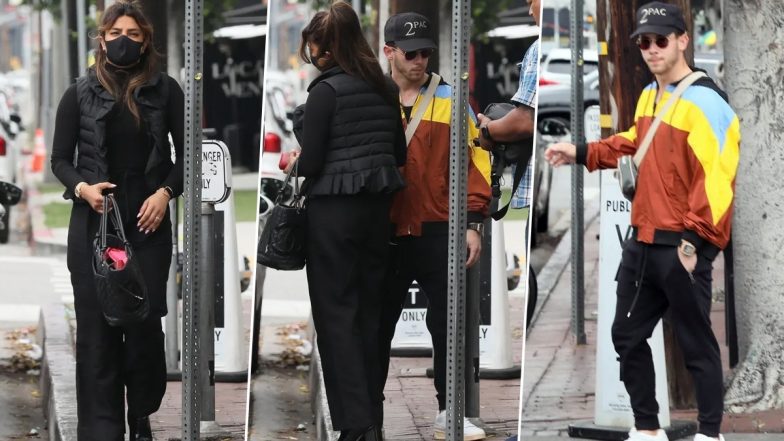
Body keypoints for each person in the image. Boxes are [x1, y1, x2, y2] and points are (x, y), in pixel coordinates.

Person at [544, 3, 740, 441]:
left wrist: (694, 244)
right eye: (644, 42)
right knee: (626, 336)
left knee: (696, 345)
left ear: (683, 40)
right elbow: (635, 141)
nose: (651, 49)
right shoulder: (652, 95)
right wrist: (578, 152)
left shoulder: (706, 101)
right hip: (643, 241)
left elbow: (719, 179)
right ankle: (647, 428)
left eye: (661, 40)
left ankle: (711, 434)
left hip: (679, 246)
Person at [50, 1, 183, 439]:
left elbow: (190, 157)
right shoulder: (78, 92)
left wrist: (165, 194)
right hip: (94, 224)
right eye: (115, 33)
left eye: (134, 33)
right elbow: (59, 160)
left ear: (146, 41)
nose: (124, 40)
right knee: (96, 332)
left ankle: (140, 413)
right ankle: (101, 430)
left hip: (145, 223)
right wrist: (82, 189)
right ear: (102, 39)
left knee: (143, 326)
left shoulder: (166, 90)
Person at [293, 3, 406, 440]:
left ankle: (356, 427)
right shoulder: (384, 87)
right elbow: (397, 154)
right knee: (370, 316)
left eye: (314, 44)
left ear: (326, 45)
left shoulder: (325, 92)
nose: (312, 52)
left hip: (333, 216)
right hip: (377, 214)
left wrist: (300, 151)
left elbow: (314, 161)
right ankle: (370, 420)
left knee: (336, 317)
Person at [378, 11, 492, 440]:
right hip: (386, 231)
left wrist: (474, 221)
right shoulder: (374, 96)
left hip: (439, 227)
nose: (420, 60)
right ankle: (369, 414)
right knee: (376, 326)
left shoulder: (449, 97)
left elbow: (475, 159)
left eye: (426, 52)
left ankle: (452, 409)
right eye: (411, 53)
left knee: (450, 324)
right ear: (390, 52)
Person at [477, 0, 540, 231]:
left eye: (532, 1)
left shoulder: (537, 49)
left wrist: (486, 129)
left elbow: (525, 121)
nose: (529, 10)